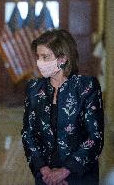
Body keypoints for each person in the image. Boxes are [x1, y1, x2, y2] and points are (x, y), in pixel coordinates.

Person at [21, 29, 104, 185]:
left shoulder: (86, 87)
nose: (40, 62)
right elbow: (28, 133)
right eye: (38, 57)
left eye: (45, 57)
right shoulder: (34, 88)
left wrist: (64, 172)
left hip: (79, 174)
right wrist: (45, 170)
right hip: (45, 176)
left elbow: (95, 137)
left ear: (62, 59)